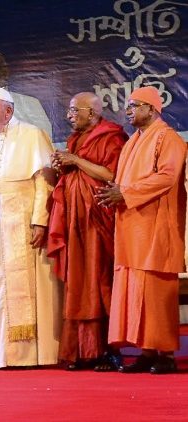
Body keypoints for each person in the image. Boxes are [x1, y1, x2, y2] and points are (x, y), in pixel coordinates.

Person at [0, 88, 60, 369]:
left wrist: (40, 220)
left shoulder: (32, 135)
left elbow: (44, 182)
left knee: (34, 287)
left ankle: (37, 354)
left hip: (25, 221)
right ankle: (1, 353)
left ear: (9, 111)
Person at [96, 86, 187, 374]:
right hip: (132, 227)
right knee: (137, 290)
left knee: (157, 291)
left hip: (156, 227)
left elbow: (168, 177)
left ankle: (166, 355)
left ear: (151, 108)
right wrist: (114, 195)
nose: (128, 110)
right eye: (129, 105)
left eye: (135, 105)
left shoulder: (167, 137)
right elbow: (121, 183)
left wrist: (125, 193)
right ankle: (147, 352)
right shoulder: (133, 141)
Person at [47, 92, 128, 371]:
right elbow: (76, 174)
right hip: (76, 221)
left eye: (73, 111)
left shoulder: (112, 137)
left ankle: (106, 351)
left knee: (100, 281)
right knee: (78, 282)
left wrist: (76, 160)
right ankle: (80, 351)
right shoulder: (76, 139)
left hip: (99, 220)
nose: (69, 116)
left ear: (91, 113)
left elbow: (110, 175)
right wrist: (63, 166)